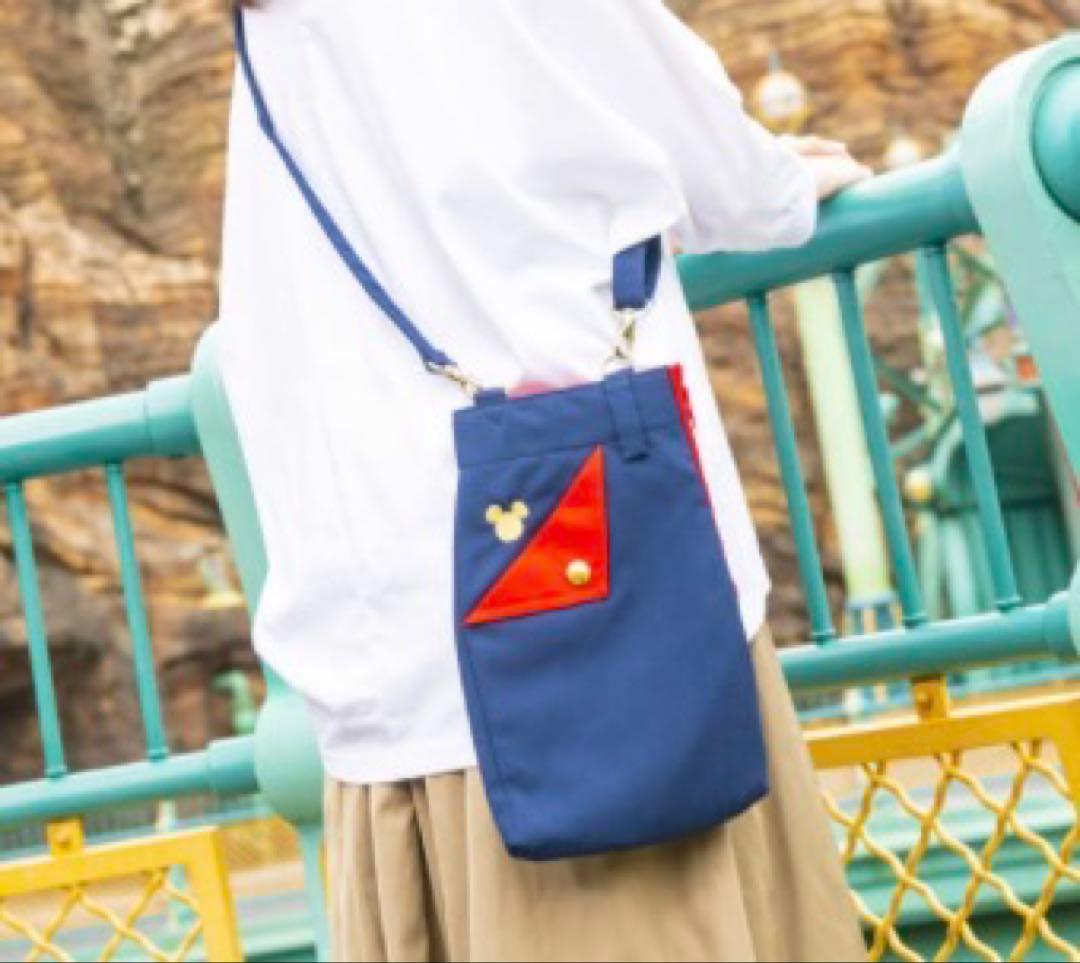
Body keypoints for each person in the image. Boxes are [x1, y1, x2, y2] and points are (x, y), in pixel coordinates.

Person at [220, 2, 872, 960]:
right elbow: (705, 157)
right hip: (609, 616)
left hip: (394, 639)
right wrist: (781, 183)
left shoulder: (269, 25)